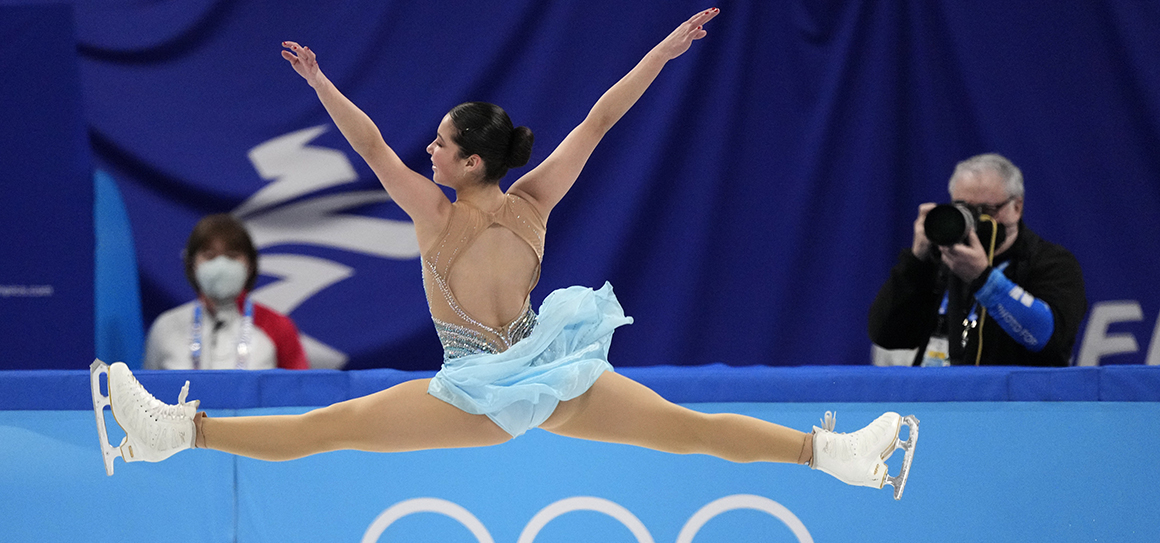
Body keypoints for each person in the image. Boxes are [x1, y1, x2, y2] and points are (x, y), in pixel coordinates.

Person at [93, 9, 919, 497]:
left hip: (504, 384)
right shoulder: (525, 204)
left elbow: (386, 146)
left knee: (328, 428)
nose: (429, 150)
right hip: (537, 376)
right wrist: (660, 59)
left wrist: (319, 86)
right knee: (689, 432)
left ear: (472, 162)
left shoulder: (451, 213)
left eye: (444, 144)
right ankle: (829, 456)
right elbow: (591, 120)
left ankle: (180, 435)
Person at [868, 153, 1086, 366]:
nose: (975, 220)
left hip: (1013, 400)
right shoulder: (942, 260)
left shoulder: (1051, 263)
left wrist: (984, 279)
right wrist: (916, 261)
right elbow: (886, 336)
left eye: (987, 210)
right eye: (964, 208)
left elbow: (1049, 338)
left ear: (1017, 207)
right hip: (940, 398)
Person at [143, 214, 309, 370]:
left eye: (232, 256)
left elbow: (301, 393)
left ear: (250, 265)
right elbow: (147, 394)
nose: (221, 264)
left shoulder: (277, 327)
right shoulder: (165, 327)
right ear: (192, 264)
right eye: (209, 256)